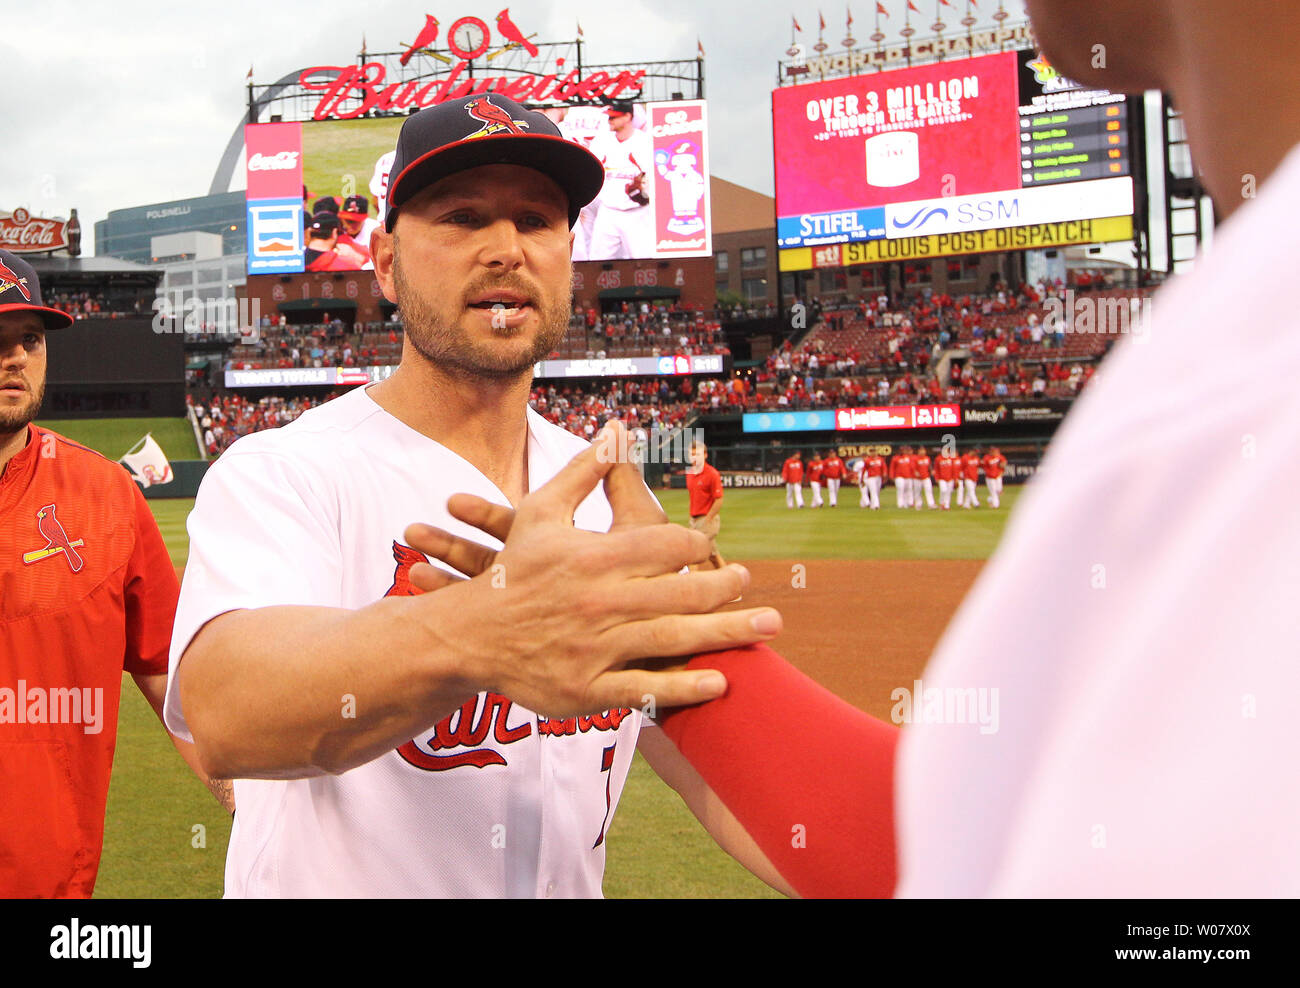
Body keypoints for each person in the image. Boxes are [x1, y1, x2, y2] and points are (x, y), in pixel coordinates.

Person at [420, 0, 1300, 898]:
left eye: (538, 221)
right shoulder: (1244, 322)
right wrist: (653, 635)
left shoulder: (1251, 355)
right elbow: (979, 857)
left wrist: (632, 635)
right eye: (458, 220)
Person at [163, 94, 787, 898]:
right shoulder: (284, 470)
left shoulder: (611, 504)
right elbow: (227, 714)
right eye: (461, 218)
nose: (505, 250)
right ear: (385, 262)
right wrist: (483, 631)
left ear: (569, 254)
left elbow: (734, 779)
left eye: (535, 220)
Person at [0, 250, 231, 898]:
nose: (14, 356)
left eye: (29, 339)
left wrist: (243, 798)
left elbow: (172, 679)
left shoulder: (104, 496)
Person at [587, 100, 654, 260]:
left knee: (643, 261)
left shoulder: (644, 142)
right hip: (608, 212)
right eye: (609, 117)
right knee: (596, 262)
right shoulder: (601, 141)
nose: (610, 120)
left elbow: (653, 178)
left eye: (614, 117)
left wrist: (646, 192)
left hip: (637, 212)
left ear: (627, 117)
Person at [685, 439, 725, 570]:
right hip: (694, 520)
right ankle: (734, 588)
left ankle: (692, 589)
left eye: (698, 454)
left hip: (707, 520)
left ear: (705, 455)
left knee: (693, 553)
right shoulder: (690, 473)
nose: (694, 457)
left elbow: (719, 499)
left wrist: (708, 519)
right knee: (713, 556)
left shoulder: (712, 474)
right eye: (692, 454)